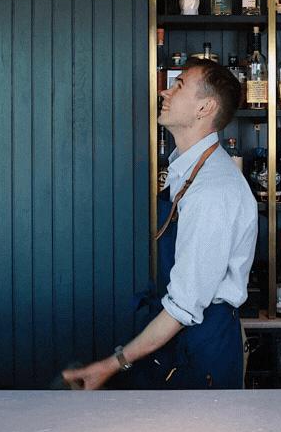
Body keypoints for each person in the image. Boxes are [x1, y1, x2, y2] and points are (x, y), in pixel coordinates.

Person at [62, 57, 258, 390]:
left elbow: (184, 306)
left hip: (200, 347)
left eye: (179, 86)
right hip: (190, 340)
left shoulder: (212, 189)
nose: (165, 93)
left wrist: (110, 365)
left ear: (205, 108)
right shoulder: (189, 170)